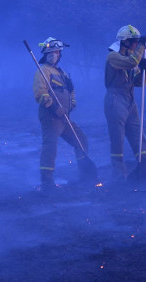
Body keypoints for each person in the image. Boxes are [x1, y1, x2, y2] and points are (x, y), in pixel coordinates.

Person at [32, 37, 90, 192]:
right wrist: (54, 107)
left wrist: (73, 102)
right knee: (50, 147)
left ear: (60, 54)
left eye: (56, 52)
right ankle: (47, 182)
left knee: (81, 140)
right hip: (51, 117)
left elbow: (71, 91)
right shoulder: (42, 71)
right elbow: (40, 93)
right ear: (45, 54)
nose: (53, 55)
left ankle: (85, 174)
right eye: (50, 53)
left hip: (65, 118)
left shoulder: (61, 72)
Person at [104, 25, 146, 183]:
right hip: (115, 101)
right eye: (134, 42)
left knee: (139, 137)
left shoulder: (131, 58)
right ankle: (119, 177)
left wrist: (144, 71)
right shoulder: (113, 57)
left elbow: (139, 83)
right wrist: (141, 47)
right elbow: (131, 61)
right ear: (125, 42)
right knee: (117, 140)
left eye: (137, 42)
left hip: (129, 101)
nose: (136, 45)